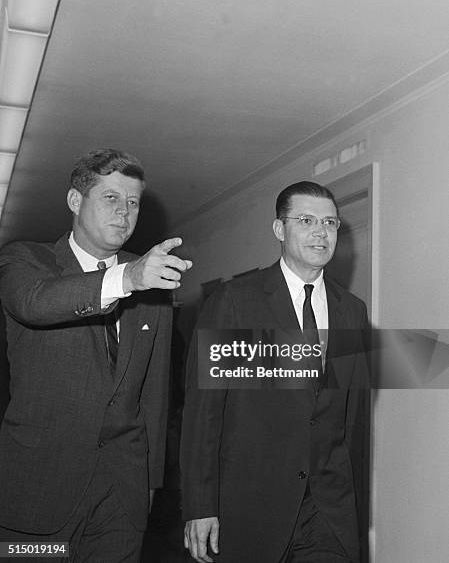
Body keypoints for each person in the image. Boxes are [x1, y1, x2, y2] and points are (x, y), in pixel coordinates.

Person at [0, 148, 192, 562]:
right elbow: (35, 303)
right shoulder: (26, 260)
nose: (124, 212)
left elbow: (154, 393)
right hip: (39, 494)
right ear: (75, 201)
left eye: (133, 202)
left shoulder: (152, 281)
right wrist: (126, 277)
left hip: (121, 499)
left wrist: (149, 484)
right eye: (110, 198)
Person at [181, 181, 369, 563]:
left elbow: (353, 418)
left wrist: (356, 506)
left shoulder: (351, 310)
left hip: (328, 512)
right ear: (279, 230)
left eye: (330, 223)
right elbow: (204, 414)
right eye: (306, 220)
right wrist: (200, 504)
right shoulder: (235, 302)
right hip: (252, 508)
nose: (321, 231)